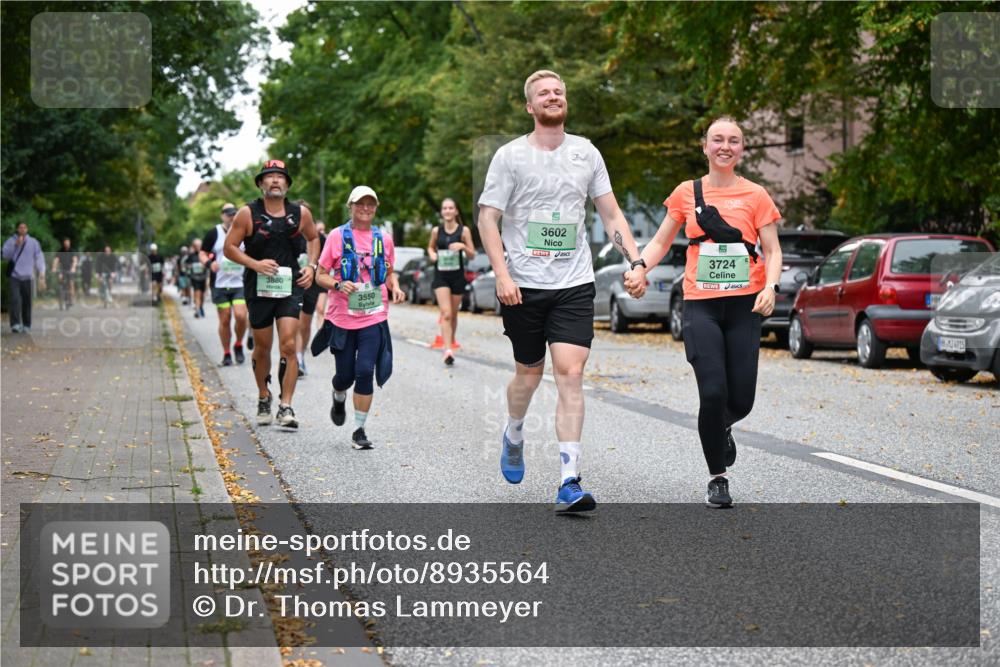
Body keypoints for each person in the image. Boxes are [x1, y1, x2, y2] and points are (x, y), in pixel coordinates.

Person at [478, 69, 646, 513]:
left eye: (559, 91)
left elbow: (610, 215)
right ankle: (514, 430)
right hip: (524, 286)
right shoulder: (510, 156)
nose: (553, 96)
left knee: (570, 374)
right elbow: (488, 218)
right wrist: (502, 274)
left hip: (574, 282)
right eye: (543, 93)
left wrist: (636, 259)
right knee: (529, 375)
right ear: (530, 107)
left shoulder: (586, 153)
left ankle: (568, 481)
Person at [629, 116, 782, 508]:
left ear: (742, 148)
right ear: (705, 146)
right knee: (712, 392)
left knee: (741, 399)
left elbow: (773, 250)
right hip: (700, 304)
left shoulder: (757, 195)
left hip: (745, 303)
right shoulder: (687, 192)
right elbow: (662, 240)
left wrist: (771, 286)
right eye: (717, 139)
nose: (725, 146)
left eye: (733, 140)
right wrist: (640, 267)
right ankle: (718, 477)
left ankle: (722, 426)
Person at [224, 159, 320, 428]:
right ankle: (264, 395)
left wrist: (312, 267)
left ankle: (286, 406)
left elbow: (314, 238)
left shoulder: (300, 214)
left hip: (289, 286)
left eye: (280, 177)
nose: (275, 180)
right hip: (258, 287)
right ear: (261, 183)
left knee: (289, 344)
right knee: (263, 348)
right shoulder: (247, 213)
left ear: (287, 185)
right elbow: (229, 247)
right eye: (269, 176)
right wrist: (256, 264)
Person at [316, 186, 405, 450]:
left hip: (374, 315)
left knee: (365, 370)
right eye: (360, 204)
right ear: (350, 206)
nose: (365, 209)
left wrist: (395, 286)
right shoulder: (336, 236)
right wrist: (337, 285)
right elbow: (321, 274)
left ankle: (359, 430)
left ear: (375, 208)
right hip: (342, 317)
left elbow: (389, 272)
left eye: (370, 204)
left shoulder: (384, 239)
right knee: (345, 375)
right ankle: (338, 394)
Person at [427, 198, 476, 365]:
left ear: (455, 211)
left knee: (454, 314)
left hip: (457, 276)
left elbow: (472, 255)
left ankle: (450, 342)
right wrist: (432, 254)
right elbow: (430, 247)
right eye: (445, 208)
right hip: (441, 276)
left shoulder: (464, 231)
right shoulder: (436, 231)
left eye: (451, 208)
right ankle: (448, 350)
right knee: (446, 313)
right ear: (442, 212)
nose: (447, 211)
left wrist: (463, 247)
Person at [202, 203, 249, 366]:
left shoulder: (244, 231)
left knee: (241, 316)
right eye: (227, 213)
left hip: (240, 283)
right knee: (225, 319)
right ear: (222, 215)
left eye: (233, 213)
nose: (231, 216)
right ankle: (227, 352)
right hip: (220, 284)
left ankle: (238, 344)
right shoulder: (213, 233)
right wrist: (209, 264)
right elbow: (202, 252)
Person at [295, 208, 328, 376]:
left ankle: (300, 354)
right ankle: (296, 358)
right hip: (294, 284)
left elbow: (328, 260)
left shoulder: (320, 239)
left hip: (314, 284)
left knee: (304, 325)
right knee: (295, 324)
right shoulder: (291, 235)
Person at [2, 221, 46, 332]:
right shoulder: (11, 241)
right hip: (14, 276)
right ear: (17, 229)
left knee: (27, 302)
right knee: (15, 300)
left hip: (28, 276)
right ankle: (15, 324)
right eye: (20, 227)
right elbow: (4, 255)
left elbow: (39, 257)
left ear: (27, 229)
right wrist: (15, 245)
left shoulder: (33, 242)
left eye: (24, 227)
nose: (22, 229)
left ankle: (27, 324)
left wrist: (41, 271)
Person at [184, 239, 208, 317]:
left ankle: (200, 306)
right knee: (197, 294)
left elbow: (209, 264)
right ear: (194, 247)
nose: (198, 247)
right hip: (195, 278)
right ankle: (197, 310)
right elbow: (186, 265)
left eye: (199, 245)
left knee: (202, 295)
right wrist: (190, 266)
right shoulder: (191, 256)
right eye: (196, 245)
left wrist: (205, 266)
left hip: (203, 277)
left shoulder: (205, 254)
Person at [52, 238, 78, 309]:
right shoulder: (60, 251)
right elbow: (56, 260)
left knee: (71, 283)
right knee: (60, 278)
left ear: (69, 243)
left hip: (70, 269)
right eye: (65, 243)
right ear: (63, 244)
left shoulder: (72, 251)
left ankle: (71, 298)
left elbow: (75, 260)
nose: (66, 244)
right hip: (62, 269)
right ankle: (61, 295)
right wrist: (54, 267)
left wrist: (73, 267)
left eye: (68, 243)